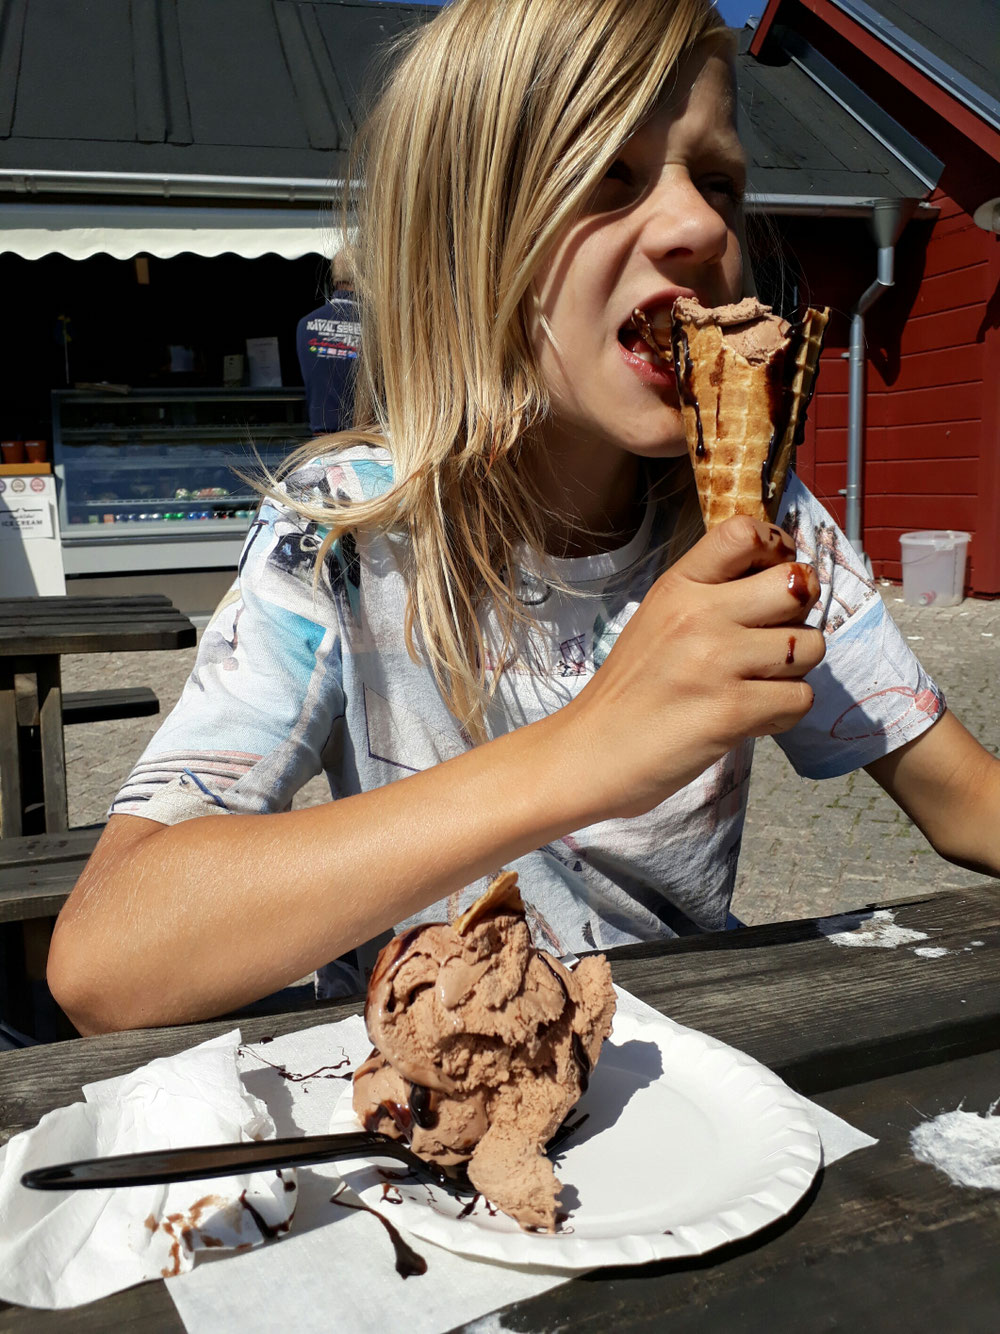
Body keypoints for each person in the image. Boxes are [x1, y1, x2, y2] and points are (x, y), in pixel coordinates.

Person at [48, 0, 999, 1034]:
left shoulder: (762, 525)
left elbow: (963, 800)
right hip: (419, 1099)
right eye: (607, 174)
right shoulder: (348, 529)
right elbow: (108, 957)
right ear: (465, 243)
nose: (700, 227)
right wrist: (584, 748)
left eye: (717, 179)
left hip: (693, 1086)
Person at [296, 251, 361, 434]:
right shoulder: (377, 326)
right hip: (364, 438)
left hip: (321, 439)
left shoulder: (305, 324)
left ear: (333, 279)